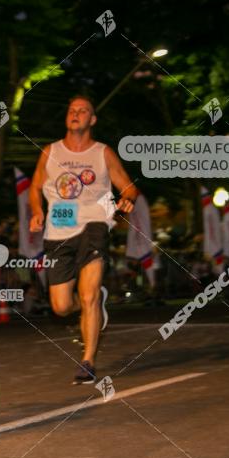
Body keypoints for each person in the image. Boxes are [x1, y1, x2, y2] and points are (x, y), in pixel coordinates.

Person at [29, 95, 139, 384]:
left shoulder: (102, 153)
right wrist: (37, 210)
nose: (75, 114)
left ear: (92, 120)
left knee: (88, 294)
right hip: (58, 232)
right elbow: (35, 186)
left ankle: (88, 361)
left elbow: (128, 187)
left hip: (94, 225)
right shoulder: (50, 151)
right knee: (61, 307)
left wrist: (127, 199)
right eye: (72, 110)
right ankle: (92, 303)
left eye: (83, 111)